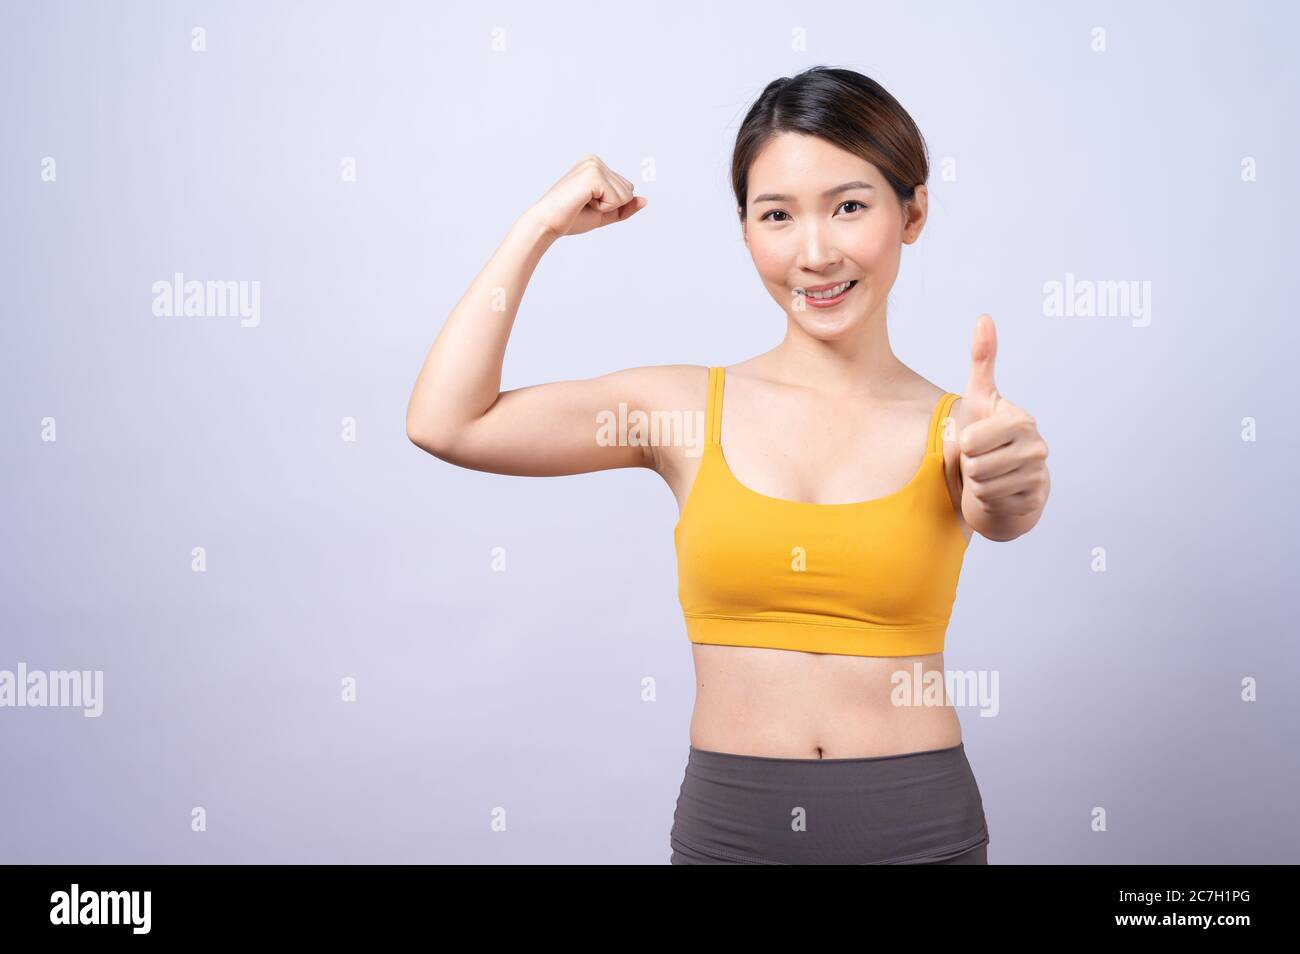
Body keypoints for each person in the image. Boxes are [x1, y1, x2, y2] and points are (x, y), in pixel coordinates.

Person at [406, 65, 1051, 864]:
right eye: (776, 215)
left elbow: (1006, 509)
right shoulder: (678, 411)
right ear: (745, 228)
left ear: (912, 211)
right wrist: (537, 226)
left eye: (850, 206)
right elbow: (447, 422)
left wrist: (1008, 482)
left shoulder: (966, 430)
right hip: (733, 831)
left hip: (916, 828)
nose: (815, 252)